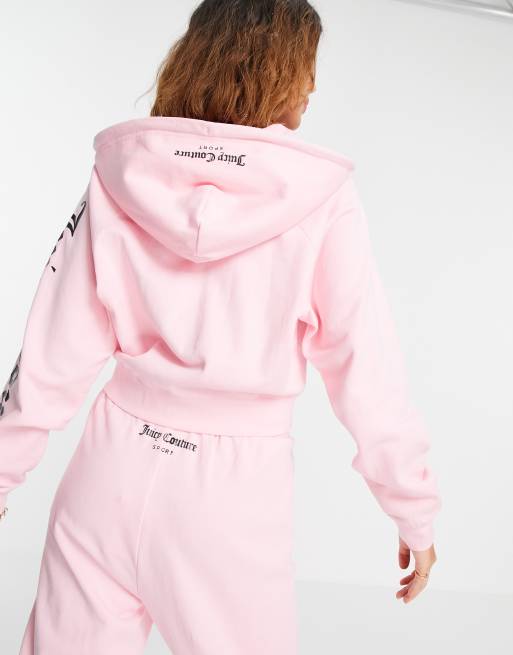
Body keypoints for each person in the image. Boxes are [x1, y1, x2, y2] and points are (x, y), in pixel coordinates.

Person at [1, 1, 441, 653]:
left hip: (107, 466)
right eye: (305, 66)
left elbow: (53, 344)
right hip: (230, 495)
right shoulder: (320, 198)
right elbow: (363, 364)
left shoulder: (124, 174)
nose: (313, 85)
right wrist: (412, 507)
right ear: (276, 71)